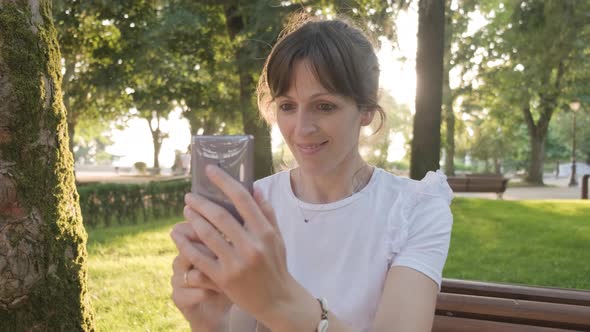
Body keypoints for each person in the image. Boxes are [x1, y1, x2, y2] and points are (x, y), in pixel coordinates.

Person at [170, 14, 453, 332]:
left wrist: (278, 303)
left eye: (325, 106)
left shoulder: (416, 209)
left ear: (367, 110)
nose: (302, 129)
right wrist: (211, 323)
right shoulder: (255, 205)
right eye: (288, 106)